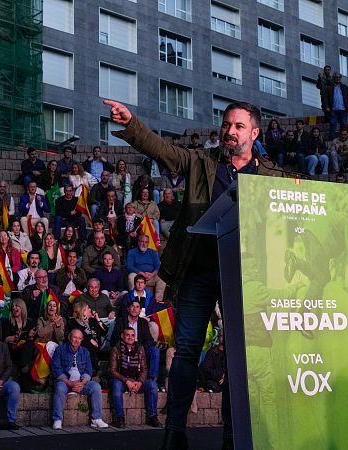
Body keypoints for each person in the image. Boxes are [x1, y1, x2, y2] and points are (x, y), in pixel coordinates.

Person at [103, 98, 287, 448]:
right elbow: (162, 149)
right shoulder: (201, 162)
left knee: (238, 357)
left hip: (243, 280)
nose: (230, 132)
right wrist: (132, 123)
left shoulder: (271, 177)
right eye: (227, 125)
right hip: (197, 273)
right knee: (186, 350)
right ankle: (174, 432)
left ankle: (235, 436)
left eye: (238, 126)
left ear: (255, 132)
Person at [50, 328, 109, 430]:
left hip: (81, 382)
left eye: (79, 338)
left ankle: (96, 419)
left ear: (82, 340)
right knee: (59, 388)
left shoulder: (85, 352)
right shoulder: (60, 350)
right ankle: (57, 419)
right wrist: (69, 383)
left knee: (96, 386)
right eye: (74, 337)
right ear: (69, 338)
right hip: (65, 382)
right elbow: (56, 368)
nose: (76, 340)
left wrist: (82, 383)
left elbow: (89, 370)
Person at [109, 327, 160, 429]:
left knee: (152, 384)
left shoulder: (140, 349)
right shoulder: (116, 349)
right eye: (127, 335)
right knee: (115, 384)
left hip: (136, 381)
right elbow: (112, 371)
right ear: (123, 336)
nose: (130, 337)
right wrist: (127, 381)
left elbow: (144, 369)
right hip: (122, 381)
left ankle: (152, 416)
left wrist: (140, 382)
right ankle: (120, 418)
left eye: (132, 335)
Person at [110, 298, 161, 382]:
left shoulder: (143, 323)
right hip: (125, 351)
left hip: (140, 350)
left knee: (155, 350)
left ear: (140, 310)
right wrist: (126, 346)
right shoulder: (120, 322)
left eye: (137, 307)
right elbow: (113, 340)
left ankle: (152, 379)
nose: (134, 309)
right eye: (132, 306)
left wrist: (140, 348)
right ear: (128, 309)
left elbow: (149, 340)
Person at [126, 235, 166, 302]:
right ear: (138, 242)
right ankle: (134, 301)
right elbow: (129, 266)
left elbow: (158, 266)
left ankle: (157, 302)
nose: (144, 244)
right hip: (138, 275)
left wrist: (152, 274)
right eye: (142, 241)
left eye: (146, 242)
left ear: (148, 243)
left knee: (162, 278)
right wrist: (141, 273)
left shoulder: (153, 252)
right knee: (131, 276)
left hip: (151, 276)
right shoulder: (132, 252)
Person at [321, 73, 348, 139]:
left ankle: (343, 138)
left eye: (339, 77)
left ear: (340, 78)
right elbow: (325, 98)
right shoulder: (329, 88)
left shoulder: (344, 87)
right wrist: (326, 106)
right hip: (333, 109)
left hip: (343, 109)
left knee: (343, 124)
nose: (338, 78)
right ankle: (332, 138)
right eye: (336, 77)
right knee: (333, 123)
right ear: (333, 78)